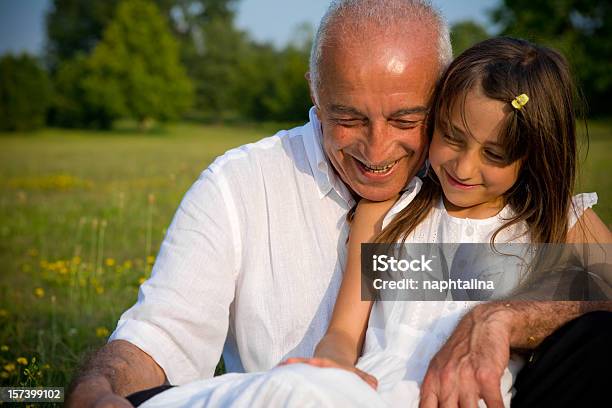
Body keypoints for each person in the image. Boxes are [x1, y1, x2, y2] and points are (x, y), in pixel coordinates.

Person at [66, 1, 611, 407]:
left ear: (445, 93)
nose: (377, 152)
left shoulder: (534, 212)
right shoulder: (247, 184)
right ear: (314, 92)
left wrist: (508, 316)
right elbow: (163, 332)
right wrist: (98, 392)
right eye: (348, 118)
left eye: (406, 120)